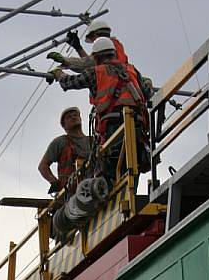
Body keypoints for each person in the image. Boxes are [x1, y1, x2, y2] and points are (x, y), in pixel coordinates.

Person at [50, 37, 152, 179]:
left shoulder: (97, 72)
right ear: (114, 54)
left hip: (114, 127)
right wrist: (147, 81)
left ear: (96, 57)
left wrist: (58, 73)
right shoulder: (132, 70)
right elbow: (148, 93)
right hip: (138, 128)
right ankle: (129, 196)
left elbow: (70, 82)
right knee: (132, 166)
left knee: (109, 169)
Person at [38, 107, 93, 193]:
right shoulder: (61, 142)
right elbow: (42, 166)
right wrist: (54, 182)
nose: (73, 117)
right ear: (64, 126)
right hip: (72, 193)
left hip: (95, 187)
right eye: (69, 117)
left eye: (75, 115)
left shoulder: (93, 141)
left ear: (80, 119)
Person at [47, 18, 129, 71]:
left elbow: (86, 64)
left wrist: (64, 60)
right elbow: (92, 64)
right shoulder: (114, 45)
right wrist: (78, 47)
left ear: (96, 34)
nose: (93, 42)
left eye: (91, 38)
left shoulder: (107, 48)